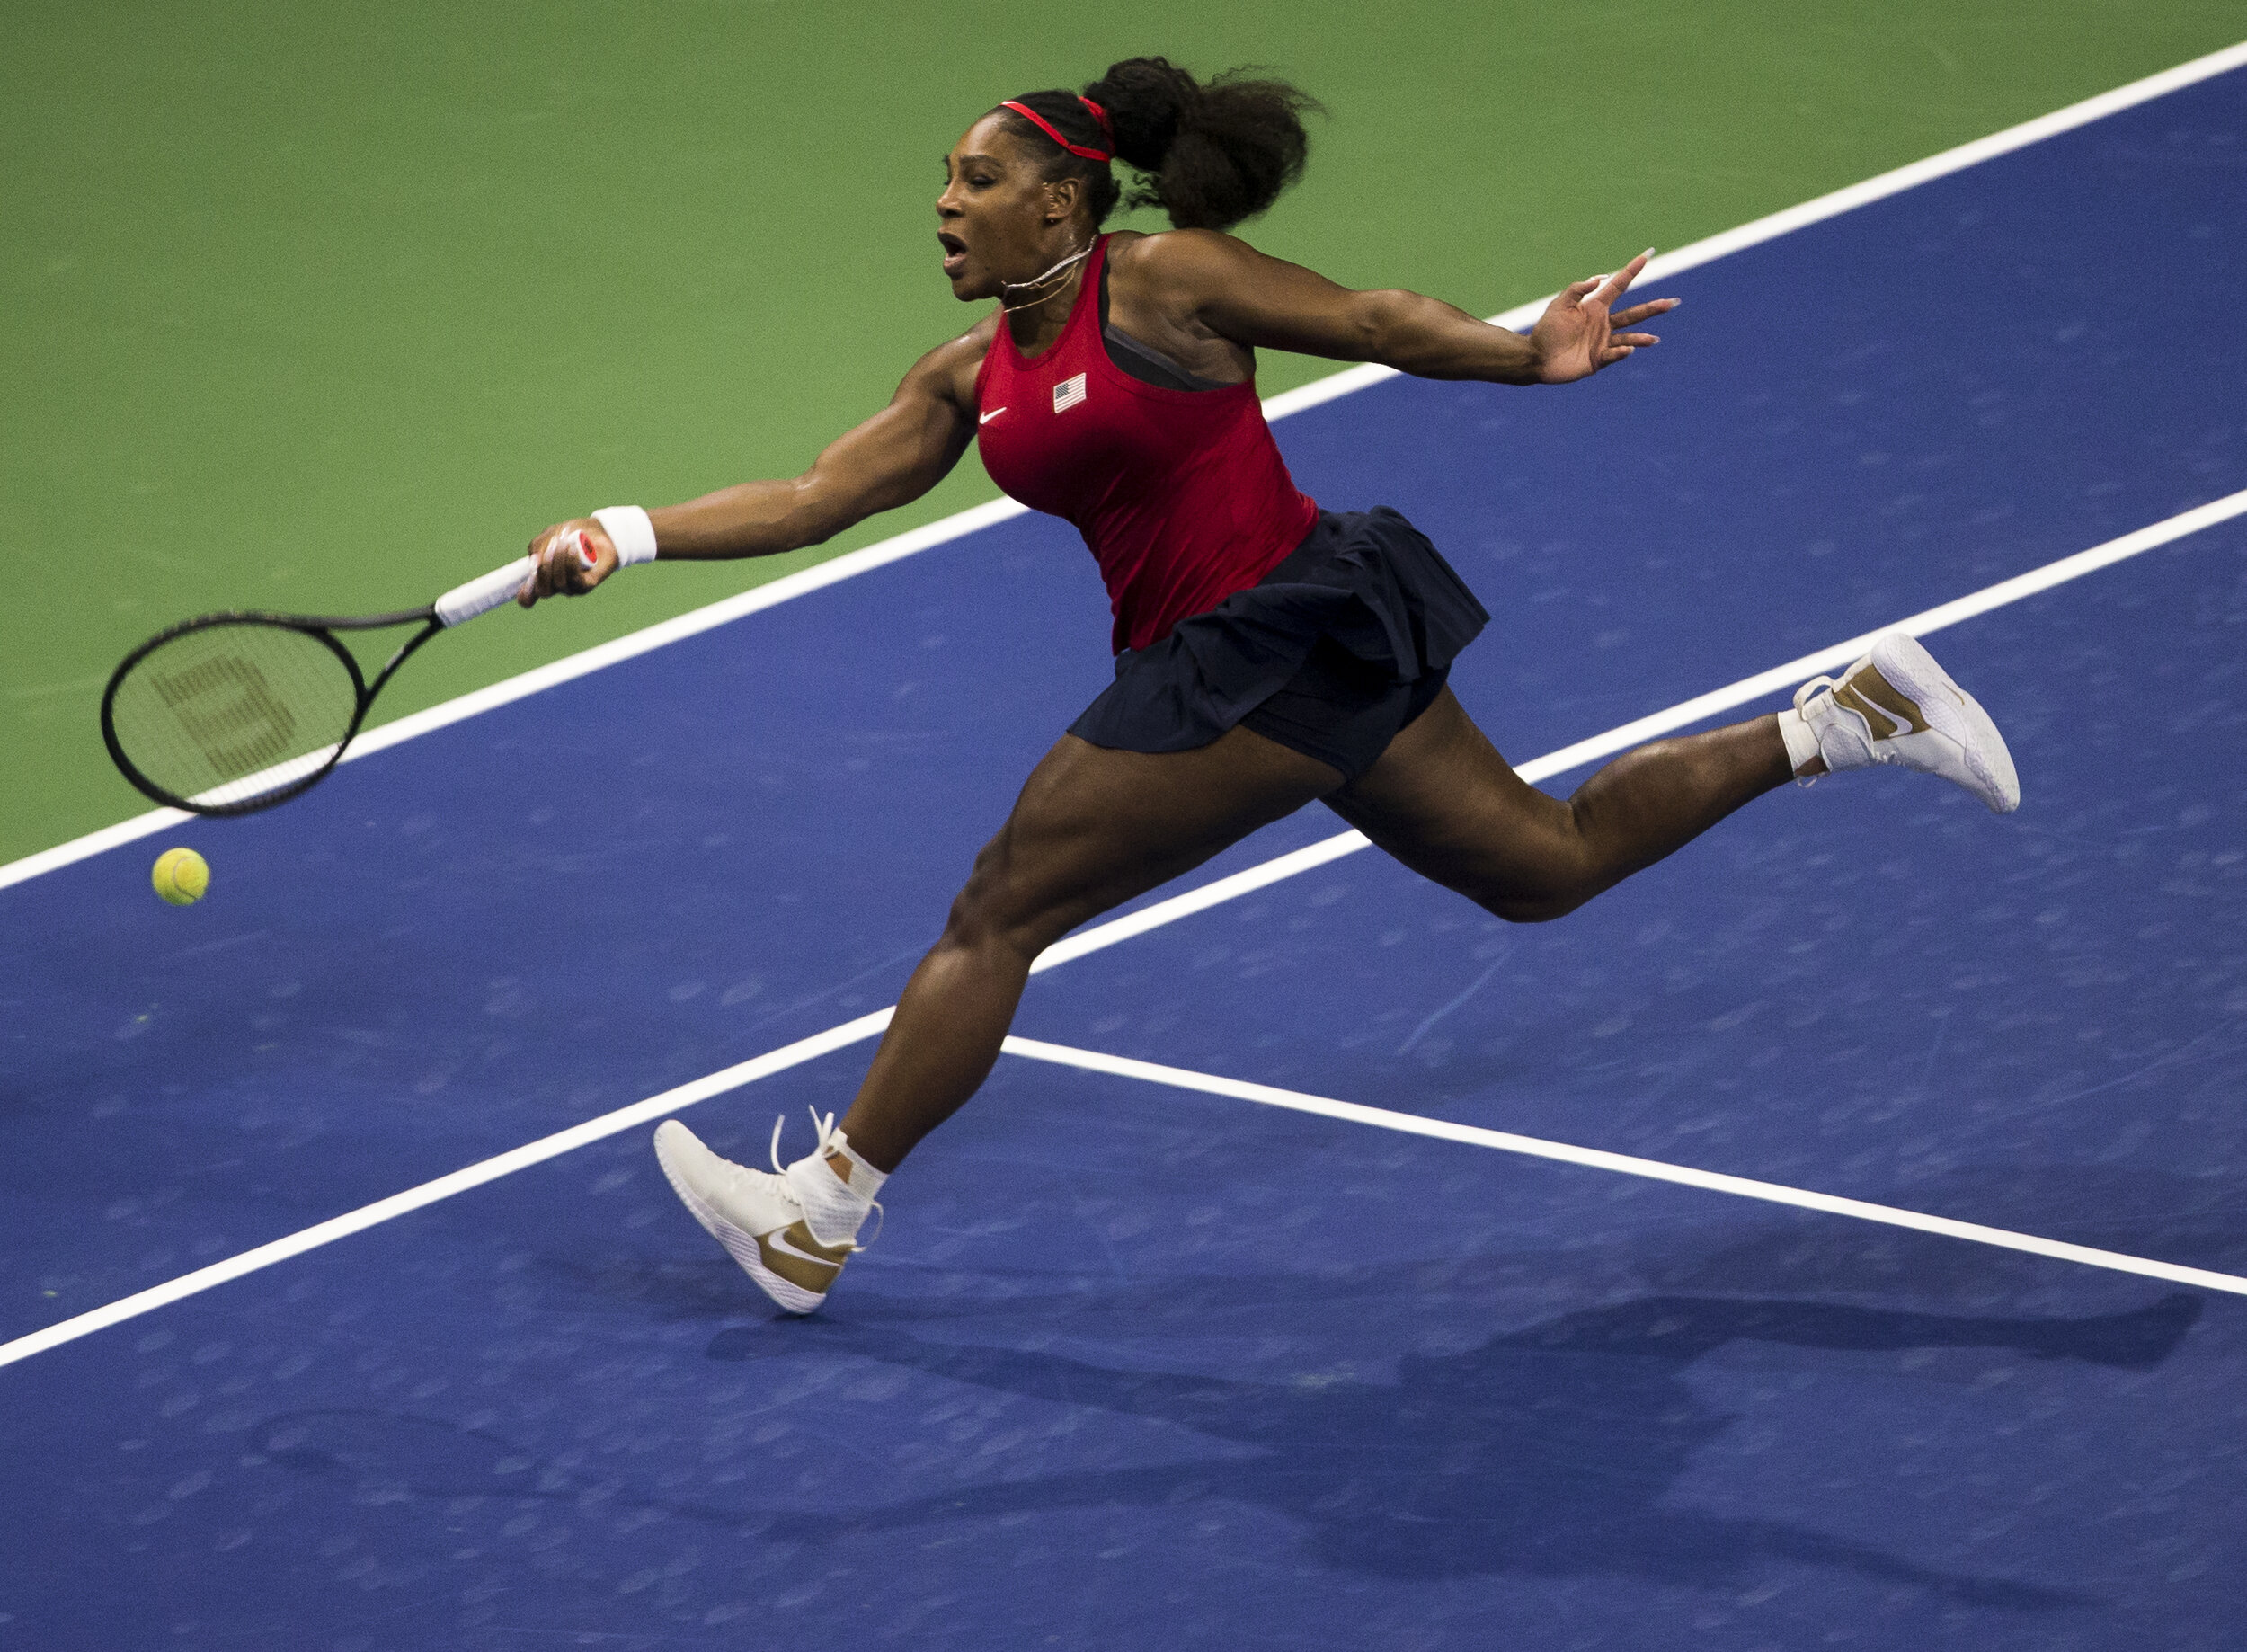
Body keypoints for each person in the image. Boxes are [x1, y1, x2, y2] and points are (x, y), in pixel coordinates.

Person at [519, 58, 2018, 1315]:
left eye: (973, 181)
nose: (944, 203)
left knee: (1001, 908)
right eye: (945, 181)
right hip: (1297, 650)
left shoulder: (1165, 280)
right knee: (1543, 867)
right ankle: (1845, 717)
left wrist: (1523, 356)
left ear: (1062, 198)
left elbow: (1368, 320)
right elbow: (812, 496)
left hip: (1261, 642)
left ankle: (818, 1213)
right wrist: (622, 533)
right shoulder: (965, 375)